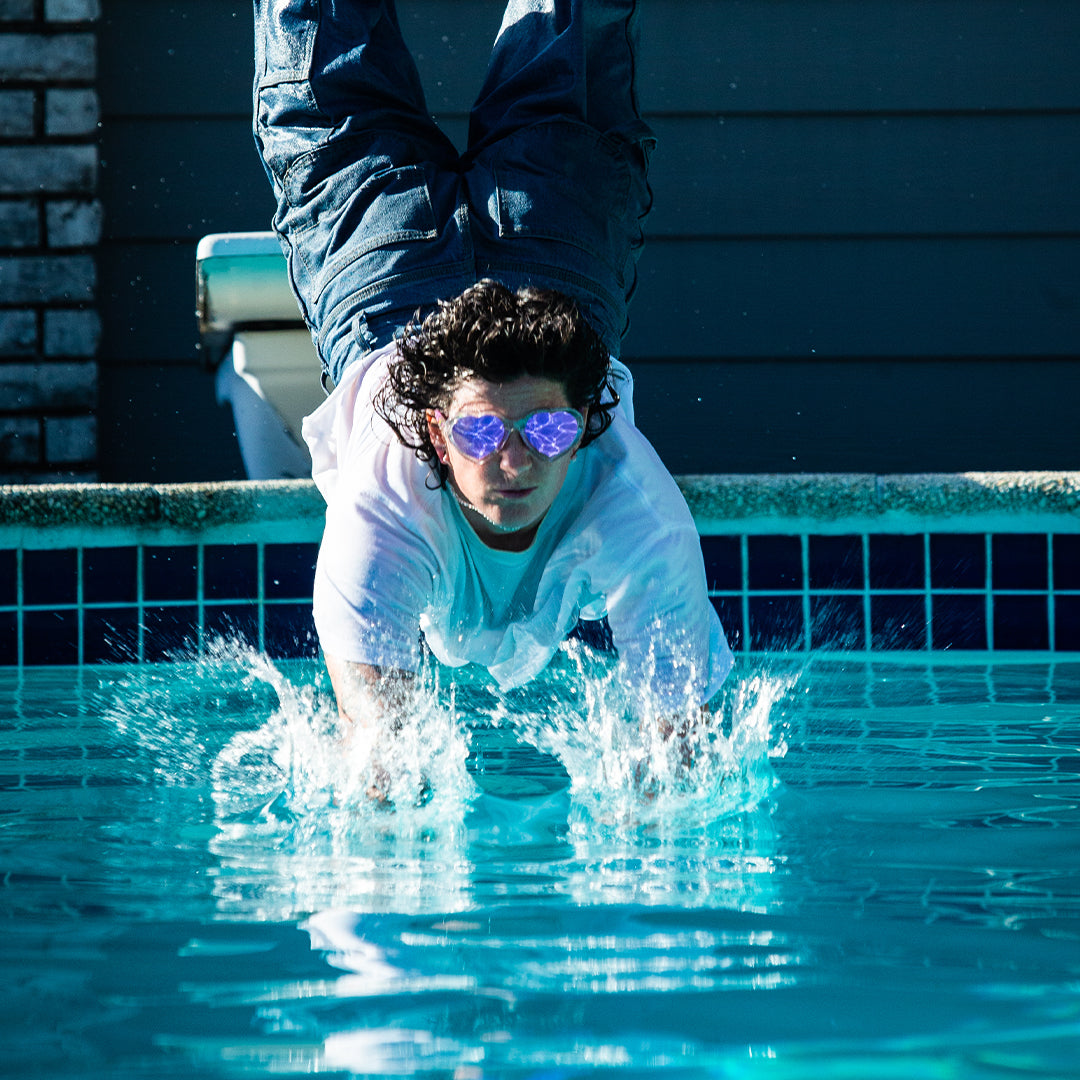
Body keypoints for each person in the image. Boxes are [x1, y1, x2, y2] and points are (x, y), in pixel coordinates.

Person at [253, 0, 734, 739]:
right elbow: (378, 759)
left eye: (544, 432)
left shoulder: (636, 508)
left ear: (581, 429)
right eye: (481, 435)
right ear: (436, 435)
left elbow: (684, 761)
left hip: (382, 272)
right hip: (555, 257)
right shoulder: (382, 511)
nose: (514, 463)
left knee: (316, 34)